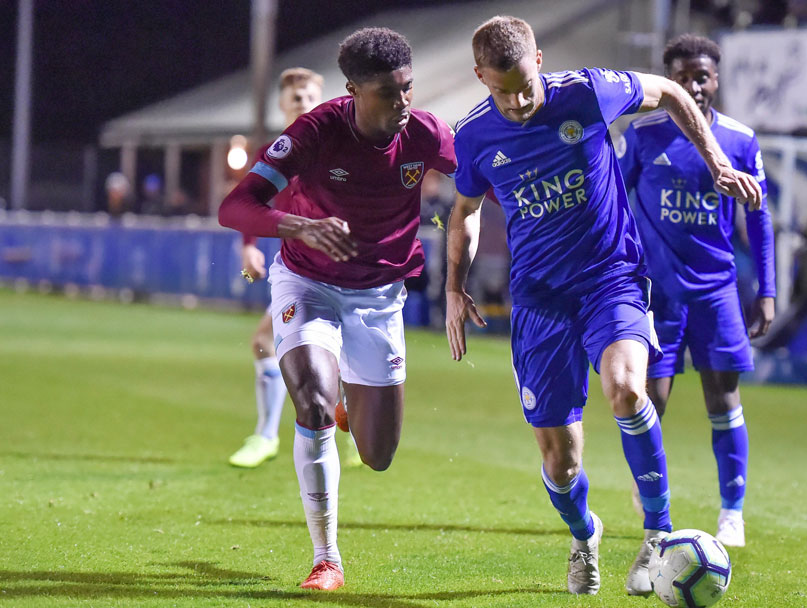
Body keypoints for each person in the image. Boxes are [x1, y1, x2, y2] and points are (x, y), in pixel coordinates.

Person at [445, 16, 761, 597]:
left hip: (610, 279)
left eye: (525, 84)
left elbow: (667, 93)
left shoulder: (586, 92)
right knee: (559, 460)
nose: (516, 101)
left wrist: (716, 161)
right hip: (540, 300)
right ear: (479, 77)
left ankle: (658, 537)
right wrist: (452, 287)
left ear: (539, 58)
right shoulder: (473, 136)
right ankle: (584, 532)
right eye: (500, 89)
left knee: (628, 390)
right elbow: (465, 209)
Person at [218, 28, 456, 591]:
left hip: (380, 298)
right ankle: (328, 559)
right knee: (314, 405)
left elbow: (486, 180)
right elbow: (236, 206)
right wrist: (299, 225)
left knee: (377, 455)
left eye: (407, 88)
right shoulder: (316, 133)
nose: (402, 103)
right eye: (388, 93)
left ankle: (351, 398)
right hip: (308, 284)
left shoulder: (425, 133)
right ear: (352, 90)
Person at [616, 34, 774, 549]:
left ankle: (732, 513)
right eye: (681, 78)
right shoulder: (643, 135)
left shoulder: (741, 140)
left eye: (700, 77)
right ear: (668, 82)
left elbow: (760, 219)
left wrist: (767, 290)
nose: (692, 87)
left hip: (716, 292)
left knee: (723, 398)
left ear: (716, 79)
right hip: (657, 293)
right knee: (646, 401)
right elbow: (614, 200)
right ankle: (651, 495)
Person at [228, 67, 325, 469]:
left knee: (337, 358)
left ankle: (275, 434)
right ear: (283, 105)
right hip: (300, 267)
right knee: (267, 342)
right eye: (295, 98)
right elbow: (250, 203)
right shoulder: (274, 152)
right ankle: (269, 436)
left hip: (342, 266)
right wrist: (249, 246)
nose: (302, 103)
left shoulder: (336, 146)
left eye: (308, 97)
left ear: (320, 101)